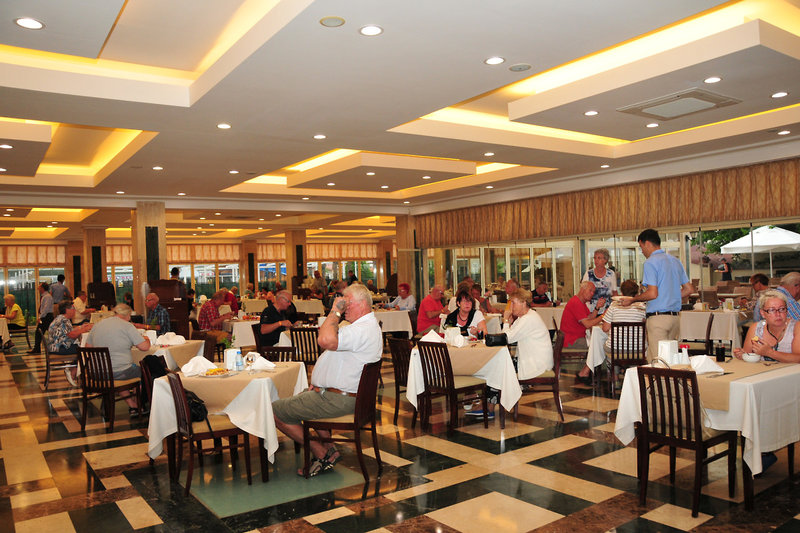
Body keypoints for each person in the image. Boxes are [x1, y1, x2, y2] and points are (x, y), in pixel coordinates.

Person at [272, 283, 381, 477]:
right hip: (342, 396)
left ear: (362, 304)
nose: (344, 307)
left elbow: (324, 340)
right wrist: (320, 383)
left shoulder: (361, 330)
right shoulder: (363, 327)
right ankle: (330, 449)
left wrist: (335, 311)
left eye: (347, 302)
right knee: (304, 397)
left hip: (340, 400)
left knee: (273, 412)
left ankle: (320, 452)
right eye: (343, 303)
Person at [733, 289, 800, 474]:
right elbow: (749, 356)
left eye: (782, 309)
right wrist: (742, 355)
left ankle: (765, 450)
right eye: (772, 310)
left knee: (764, 403)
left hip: (791, 383)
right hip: (764, 381)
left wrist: (770, 353)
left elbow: (798, 358)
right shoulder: (756, 328)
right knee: (750, 402)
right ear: (763, 313)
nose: (778, 314)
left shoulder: (796, 327)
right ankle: (760, 451)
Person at [621, 229, 693, 361]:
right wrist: (670, 296)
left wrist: (632, 300)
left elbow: (652, 293)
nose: (642, 251)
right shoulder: (675, 261)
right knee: (670, 360)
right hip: (675, 319)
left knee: (658, 361)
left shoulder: (650, 262)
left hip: (658, 319)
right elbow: (689, 289)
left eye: (641, 247)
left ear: (647, 243)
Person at [577, 279, 647, 380]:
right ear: (636, 293)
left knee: (610, 347)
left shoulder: (614, 305)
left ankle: (615, 374)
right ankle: (633, 375)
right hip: (637, 350)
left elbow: (605, 328)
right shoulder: (642, 307)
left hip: (616, 351)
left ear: (621, 292)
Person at [86, 304, 150, 412]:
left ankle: (132, 404)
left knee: (120, 369)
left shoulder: (97, 325)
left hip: (97, 373)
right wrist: (147, 339)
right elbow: (144, 347)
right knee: (143, 371)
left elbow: (88, 347)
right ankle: (138, 403)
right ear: (128, 315)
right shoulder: (127, 326)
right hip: (118, 373)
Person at [502, 289, 553, 380]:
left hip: (537, 365)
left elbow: (506, 339)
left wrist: (505, 319)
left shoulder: (528, 319)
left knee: (500, 372)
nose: (511, 307)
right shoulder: (524, 317)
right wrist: (508, 323)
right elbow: (507, 335)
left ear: (523, 303)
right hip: (535, 361)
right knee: (502, 368)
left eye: (513, 303)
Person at [47, 299, 93, 386]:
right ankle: (74, 371)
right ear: (67, 310)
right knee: (84, 350)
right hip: (58, 347)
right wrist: (84, 329)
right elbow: (72, 335)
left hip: (57, 345)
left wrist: (81, 327)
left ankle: (74, 369)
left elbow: (69, 332)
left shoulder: (61, 318)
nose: (75, 310)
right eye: (73, 308)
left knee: (81, 347)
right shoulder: (63, 320)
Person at [561, 281, 605, 349]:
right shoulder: (576, 302)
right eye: (590, 290)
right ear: (582, 289)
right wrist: (603, 316)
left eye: (593, 292)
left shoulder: (581, 302)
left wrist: (597, 307)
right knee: (601, 343)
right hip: (572, 341)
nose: (592, 294)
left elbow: (589, 318)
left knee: (599, 342)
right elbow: (587, 324)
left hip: (575, 338)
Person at [583, 248, 618, 312]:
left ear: (605, 260)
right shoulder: (588, 274)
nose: (596, 260)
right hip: (591, 310)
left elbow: (614, 293)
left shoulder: (611, 274)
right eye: (595, 258)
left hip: (607, 311)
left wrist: (615, 308)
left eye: (599, 258)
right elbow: (583, 292)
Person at [29, 282, 54, 354]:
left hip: (47, 317)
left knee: (39, 332)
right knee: (41, 332)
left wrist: (40, 317)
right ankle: (37, 348)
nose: (38, 288)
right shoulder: (45, 296)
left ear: (42, 288)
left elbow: (46, 308)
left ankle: (37, 349)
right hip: (46, 316)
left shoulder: (47, 297)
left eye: (39, 287)